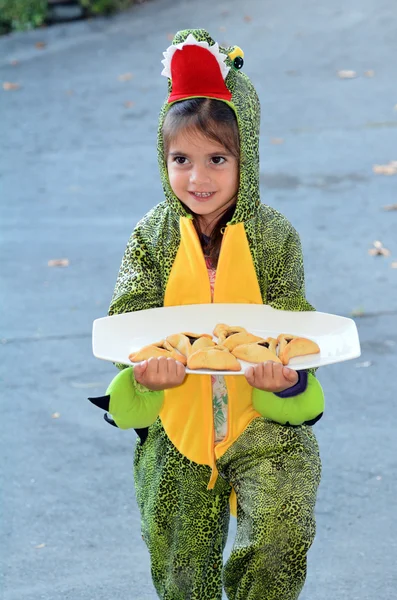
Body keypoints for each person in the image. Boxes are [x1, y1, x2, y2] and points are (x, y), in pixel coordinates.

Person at [89, 29, 324, 600]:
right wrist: (147, 368)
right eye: (181, 159)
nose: (198, 178)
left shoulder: (274, 238)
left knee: (279, 535)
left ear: (249, 156)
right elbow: (129, 319)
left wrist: (287, 380)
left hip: (264, 426)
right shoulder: (151, 236)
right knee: (179, 563)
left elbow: (296, 328)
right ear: (162, 159)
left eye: (218, 159)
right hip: (177, 426)